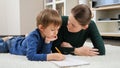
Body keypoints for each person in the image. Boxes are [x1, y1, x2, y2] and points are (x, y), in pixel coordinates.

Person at [0, 9, 65, 61]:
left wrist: (47, 42)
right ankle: (7, 39)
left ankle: (10, 38)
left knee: (23, 40)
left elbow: (44, 53)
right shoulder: (33, 37)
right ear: (41, 28)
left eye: (58, 29)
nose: (56, 33)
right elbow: (31, 56)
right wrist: (51, 56)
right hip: (12, 45)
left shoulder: (48, 36)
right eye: (53, 30)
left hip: (23, 41)